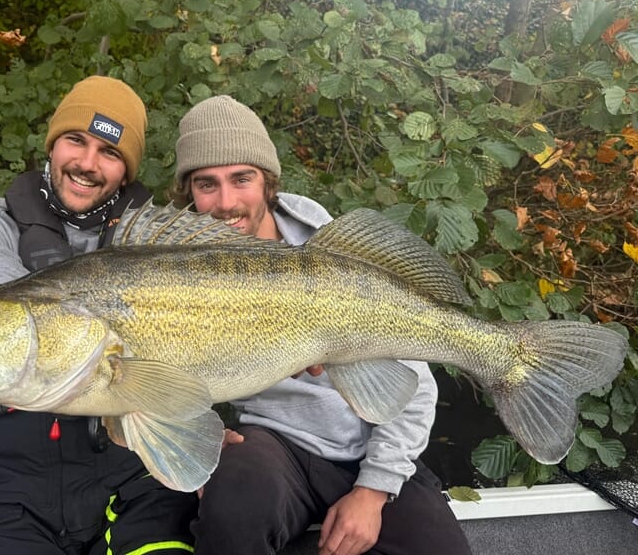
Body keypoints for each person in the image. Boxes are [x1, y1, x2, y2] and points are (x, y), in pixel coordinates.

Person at [171, 95, 472, 555]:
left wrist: (373, 490)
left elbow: (417, 387)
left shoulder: (339, 259)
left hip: (369, 444)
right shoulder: (177, 268)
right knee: (231, 509)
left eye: (242, 179)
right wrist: (196, 435)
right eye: (206, 183)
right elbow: (155, 366)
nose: (226, 201)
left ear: (267, 182)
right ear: (189, 191)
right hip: (273, 445)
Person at [0, 76, 198, 555]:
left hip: (134, 470)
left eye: (109, 152)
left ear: (127, 169)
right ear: (52, 145)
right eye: (75, 140)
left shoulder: (161, 244)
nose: (86, 163)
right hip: (12, 479)